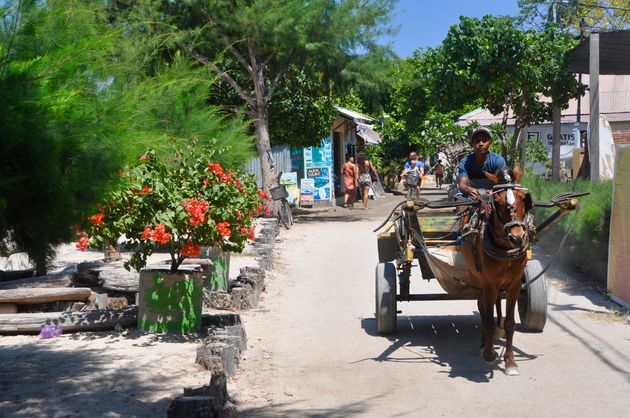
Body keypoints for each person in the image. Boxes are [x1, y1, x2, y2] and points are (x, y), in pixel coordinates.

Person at [457, 127, 507, 199]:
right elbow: (462, 184)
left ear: (490, 143)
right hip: (472, 195)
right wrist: (471, 190)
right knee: (460, 202)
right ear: (471, 144)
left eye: (484, 141)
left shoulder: (498, 160)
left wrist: (492, 192)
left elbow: (501, 183)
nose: (481, 144)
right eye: (477, 141)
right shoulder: (464, 162)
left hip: (494, 194)